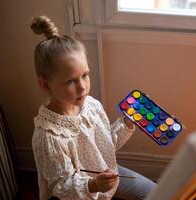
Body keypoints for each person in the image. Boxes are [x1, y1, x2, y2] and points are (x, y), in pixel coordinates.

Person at [30, 16, 156, 200]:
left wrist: (127, 123)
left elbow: (107, 145)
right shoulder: (49, 137)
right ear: (45, 84)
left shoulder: (91, 105)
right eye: (70, 81)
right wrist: (93, 184)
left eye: (85, 75)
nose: (82, 87)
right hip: (77, 194)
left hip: (106, 175)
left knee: (157, 192)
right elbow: (60, 186)